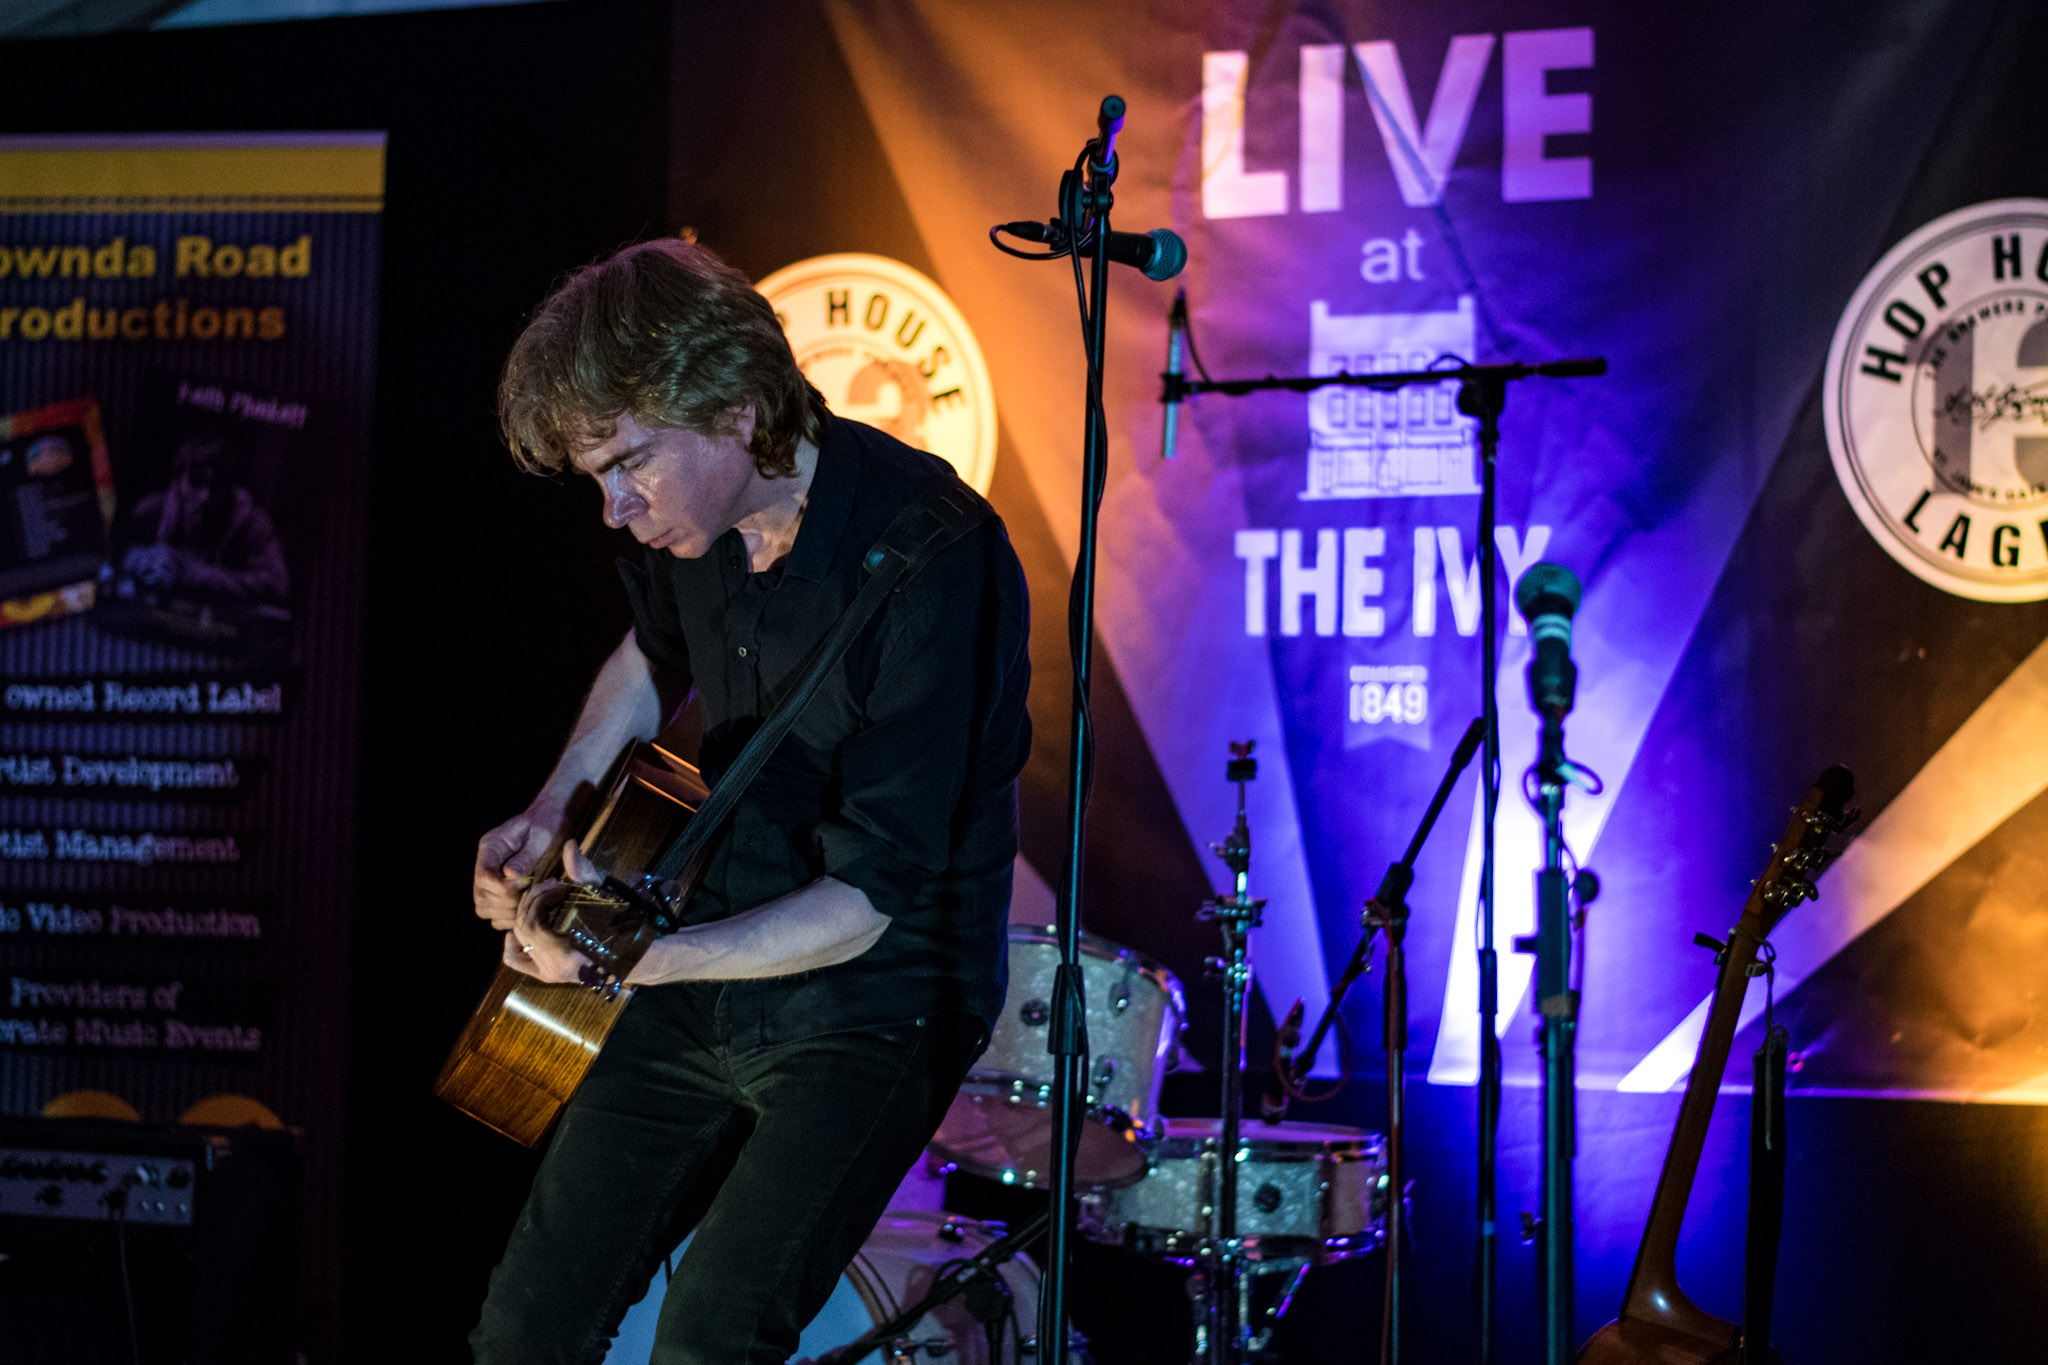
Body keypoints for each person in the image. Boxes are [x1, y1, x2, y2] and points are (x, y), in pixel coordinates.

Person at [468, 236, 1030, 1365]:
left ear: (732, 408)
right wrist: (553, 801)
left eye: (628, 466)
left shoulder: (934, 557)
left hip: (875, 995)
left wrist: (626, 963)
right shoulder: (691, 525)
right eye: (595, 481)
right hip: (703, 945)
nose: (615, 511)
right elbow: (650, 652)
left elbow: (868, 899)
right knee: (527, 1326)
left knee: (711, 1338)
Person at [120, 434, 289, 603]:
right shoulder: (150, 511)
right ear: (178, 480)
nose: (205, 497)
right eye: (196, 481)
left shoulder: (253, 524)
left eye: (216, 485)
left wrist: (192, 573)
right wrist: (136, 561)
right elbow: (109, 554)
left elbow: (277, 585)